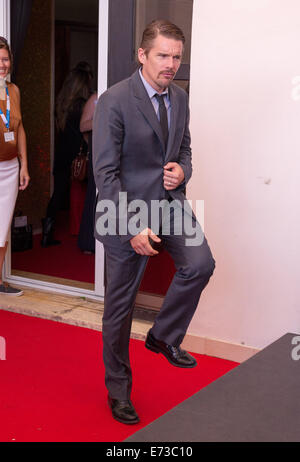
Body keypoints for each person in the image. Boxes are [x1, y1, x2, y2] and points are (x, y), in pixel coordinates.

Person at [93, 20, 215, 425]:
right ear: (142, 55)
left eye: (177, 56)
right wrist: (131, 227)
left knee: (200, 264)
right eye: (163, 55)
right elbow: (105, 175)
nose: (171, 64)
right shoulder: (114, 100)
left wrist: (182, 170)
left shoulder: (179, 98)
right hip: (123, 213)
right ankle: (119, 391)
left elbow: (184, 148)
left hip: (169, 203)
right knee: (120, 309)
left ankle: (163, 336)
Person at [41, 62, 93, 247]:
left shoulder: (63, 102)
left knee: (59, 192)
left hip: (62, 153)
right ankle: (87, 233)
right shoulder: (81, 105)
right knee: (88, 193)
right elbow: (83, 132)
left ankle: (47, 233)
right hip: (77, 154)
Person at [0, 37, 30, 296]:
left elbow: (18, 129)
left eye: (5, 59)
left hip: (10, 168)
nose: (2, 65)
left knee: (2, 227)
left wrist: (24, 165)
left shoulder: (14, 91)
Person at [78, 92, 97, 253]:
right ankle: (88, 243)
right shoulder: (95, 98)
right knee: (93, 196)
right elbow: (83, 126)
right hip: (98, 153)